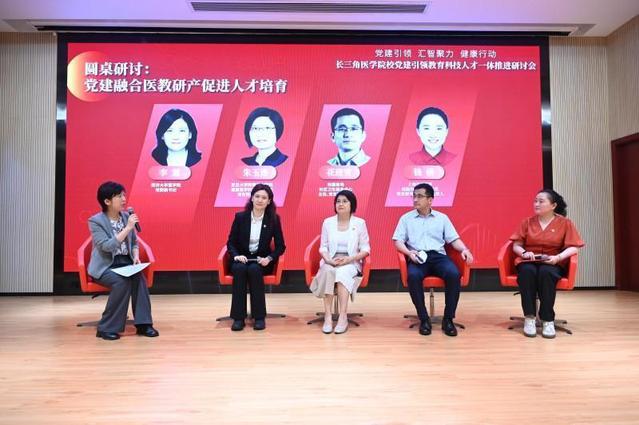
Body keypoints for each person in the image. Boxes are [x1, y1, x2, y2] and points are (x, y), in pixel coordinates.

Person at [392, 183, 473, 337]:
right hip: (417, 256)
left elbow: (453, 239)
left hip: (438, 257)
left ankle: (448, 319)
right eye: (414, 196)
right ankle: (424, 319)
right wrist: (409, 253)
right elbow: (398, 241)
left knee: (453, 274)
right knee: (413, 276)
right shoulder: (406, 219)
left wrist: (465, 249)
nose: (415, 199)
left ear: (430, 200)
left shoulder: (442, 218)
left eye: (419, 196)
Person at [87, 181, 159, 341]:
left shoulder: (126, 216)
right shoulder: (96, 221)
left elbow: (134, 242)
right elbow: (107, 246)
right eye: (119, 196)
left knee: (139, 278)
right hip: (105, 266)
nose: (124, 199)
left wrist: (135, 255)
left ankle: (144, 324)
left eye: (124, 195)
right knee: (121, 282)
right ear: (107, 201)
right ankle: (106, 328)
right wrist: (127, 228)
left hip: (125, 262)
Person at [510, 189, 584, 338]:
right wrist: (524, 253)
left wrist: (558, 257)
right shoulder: (527, 222)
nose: (536, 204)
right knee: (527, 272)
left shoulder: (565, 223)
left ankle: (547, 319)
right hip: (529, 260)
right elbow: (516, 245)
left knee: (546, 273)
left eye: (541, 201)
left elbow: (574, 247)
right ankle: (529, 317)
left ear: (553, 205)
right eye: (535, 201)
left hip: (552, 261)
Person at [226, 184, 286, 331]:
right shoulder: (240, 217)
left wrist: (269, 258)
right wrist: (236, 256)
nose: (260, 200)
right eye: (257, 196)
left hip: (261, 261)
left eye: (264, 198)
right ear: (252, 198)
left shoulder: (273, 219)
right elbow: (231, 242)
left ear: (269, 201)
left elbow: (280, 246)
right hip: (242, 259)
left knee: (254, 270)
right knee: (239, 270)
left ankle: (259, 317)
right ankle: (238, 318)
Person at [310, 190, 370, 334]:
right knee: (329, 271)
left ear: (352, 204)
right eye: (338, 201)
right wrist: (328, 260)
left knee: (343, 273)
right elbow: (323, 247)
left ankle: (343, 317)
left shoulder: (359, 223)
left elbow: (366, 249)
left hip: (350, 262)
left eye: (344, 201)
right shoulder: (328, 222)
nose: (340, 204)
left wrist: (350, 259)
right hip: (331, 260)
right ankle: (328, 317)